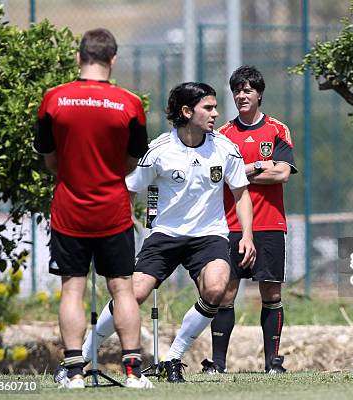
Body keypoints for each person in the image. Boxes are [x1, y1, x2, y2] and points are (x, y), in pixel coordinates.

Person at [69, 81, 256, 383]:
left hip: (210, 235)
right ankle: (83, 357)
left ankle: (173, 358)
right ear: (186, 111)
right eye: (208, 107)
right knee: (135, 293)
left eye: (215, 107)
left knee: (216, 288)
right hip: (165, 234)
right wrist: (120, 231)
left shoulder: (224, 147)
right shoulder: (159, 150)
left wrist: (247, 235)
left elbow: (241, 193)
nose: (216, 113)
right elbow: (127, 190)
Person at [33, 28, 152, 389]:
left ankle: (73, 373)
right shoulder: (130, 104)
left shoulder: (54, 99)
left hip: (69, 210)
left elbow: (48, 158)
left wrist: (69, 172)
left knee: (72, 289)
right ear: (113, 60)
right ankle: (132, 372)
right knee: (122, 289)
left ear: (79, 57)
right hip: (113, 211)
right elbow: (133, 161)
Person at [202, 66, 297, 374]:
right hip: (229, 225)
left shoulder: (277, 130)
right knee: (224, 292)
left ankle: (273, 363)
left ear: (259, 94)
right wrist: (258, 166)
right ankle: (217, 364)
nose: (242, 95)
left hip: (270, 223)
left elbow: (282, 172)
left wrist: (241, 172)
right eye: (237, 91)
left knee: (271, 292)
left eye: (248, 90)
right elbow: (219, 176)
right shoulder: (223, 134)